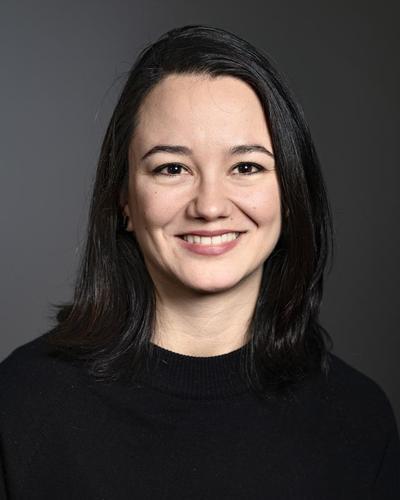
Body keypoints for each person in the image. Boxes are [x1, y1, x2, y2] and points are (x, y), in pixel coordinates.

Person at [0, 24, 399, 499]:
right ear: (124, 199)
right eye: (172, 168)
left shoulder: (359, 420)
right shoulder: (21, 402)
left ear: (291, 194)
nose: (210, 206)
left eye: (246, 167)